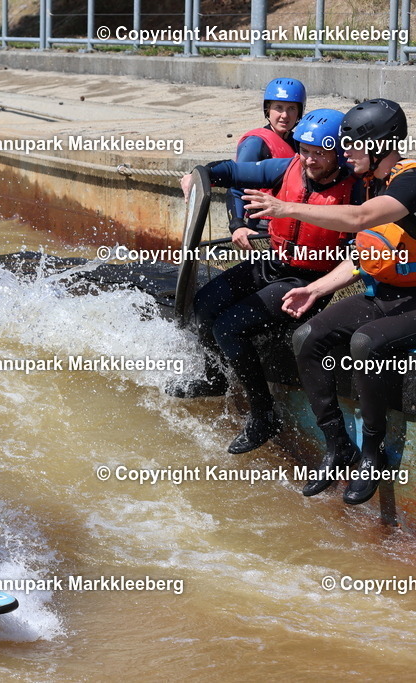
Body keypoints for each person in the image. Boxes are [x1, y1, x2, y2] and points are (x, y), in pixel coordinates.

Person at [246, 99, 416, 504]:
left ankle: (372, 454)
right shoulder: (373, 180)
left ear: (379, 145)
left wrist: (285, 207)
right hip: (385, 294)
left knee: (366, 343)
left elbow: (358, 219)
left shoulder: (410, 182)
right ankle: (338, 444)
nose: (345, 153)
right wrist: (317, 289)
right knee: (308, 336)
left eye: (353, 145)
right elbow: (365, 253)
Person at [167, 109, 360, 456]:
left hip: (308, 280)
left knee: (229, 328)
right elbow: (231, 171)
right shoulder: (289, 168)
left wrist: (321, 286)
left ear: (339, 152)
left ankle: (264, 416)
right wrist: (198, 177)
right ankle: (215, 378)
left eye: (319, 153)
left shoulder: (356, 189)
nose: (309, 160)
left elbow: (362, 252)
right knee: (204, 304)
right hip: (273, 263)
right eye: (305, 150)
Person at [225, 78, 305, 251]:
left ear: (299, 112)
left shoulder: (300, 143)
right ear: (267, 110)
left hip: (291, 227)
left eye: (291, 108)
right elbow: (235, 187)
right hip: (262, 228)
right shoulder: (256, 142)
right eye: (279, 108)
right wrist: (237, 225)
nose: (285, 115)